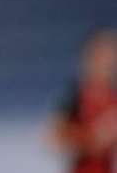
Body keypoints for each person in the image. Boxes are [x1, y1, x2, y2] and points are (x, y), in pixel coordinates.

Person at [49, 30, 117, 173]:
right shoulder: (75, 97)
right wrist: (92, 138)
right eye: (100, 56)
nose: (106, 62)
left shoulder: (113, 97)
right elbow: (53, 140)